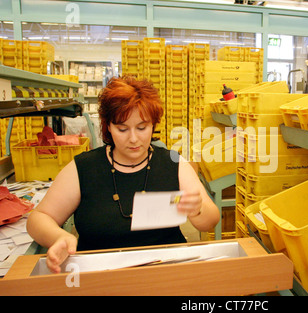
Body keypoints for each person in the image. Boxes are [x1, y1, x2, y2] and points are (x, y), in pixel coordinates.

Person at [27, 76, 220, 273]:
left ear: (153, 124)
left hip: (164, 275)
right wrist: (60, 237)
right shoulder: (83, 168)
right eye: (122, 129)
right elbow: (38, 218)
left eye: (142, 127)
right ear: (108, 126)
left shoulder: (173, 163)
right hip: (99, 278)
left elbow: (211, 219)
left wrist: (196, 210)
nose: (134, 138)